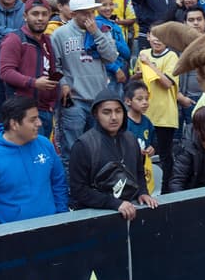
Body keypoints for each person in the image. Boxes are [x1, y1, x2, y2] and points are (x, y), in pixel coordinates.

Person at [0, 95, 68, 228]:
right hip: (12, 237)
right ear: (14, 124)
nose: (39, 123)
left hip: (52, 227)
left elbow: (59, 182)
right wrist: (0, 237)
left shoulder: (45, 144)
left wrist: (61, 217)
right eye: (33, 120)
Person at [67, 88, 156, 222]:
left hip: (130, 211)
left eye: (118, 111)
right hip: (94, 217)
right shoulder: (83, 145)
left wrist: (143, 192)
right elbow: (79, 190)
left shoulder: (131, 139)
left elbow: (138, 172)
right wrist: (114, 203)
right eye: (106, 112)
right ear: (96, 114)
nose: (114, 117)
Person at [50, 0, 119, 162]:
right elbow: (54, 66)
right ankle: (72, 187)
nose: (90, 17)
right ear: (73, 14)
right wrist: (64, 83)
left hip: (98, 98)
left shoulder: (102, 30)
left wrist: (96, 33)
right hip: (74, 99)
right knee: (72, 149)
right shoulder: (60, 34)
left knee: (98, 148)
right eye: (85, 13)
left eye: (92, 12)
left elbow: (111, 57)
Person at [0, 0, 59, 137]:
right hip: (22, 111)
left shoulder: (48, 41)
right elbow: (6, 72)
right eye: (35, 14)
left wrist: (52, 101)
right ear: (25, 16)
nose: (40, 18)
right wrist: (34, 82)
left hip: (44, 109)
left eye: (44, 14)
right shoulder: (14, 39)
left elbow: (52, 70)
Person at [136, 30, 180, 191]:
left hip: (165, 114)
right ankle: (142, 189)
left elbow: (167, 83)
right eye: (154, 35)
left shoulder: (172, 57)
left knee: (165, 155)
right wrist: (139, 73)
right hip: (144, 115)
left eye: (162, 36)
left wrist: (149, 65)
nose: (157, 40)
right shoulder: (143, 53)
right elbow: (136, 77)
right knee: (140, 154)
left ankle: (168, 191)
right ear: (148, 36)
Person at [123, 80, 158, 194]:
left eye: (146, 99)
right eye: (139, 99)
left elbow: (153, 141)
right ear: (128, 101)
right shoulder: (123, 123)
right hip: (126, 170)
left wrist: (152, 148)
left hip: (144, 168)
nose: (145, 102)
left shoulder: (147, 122)